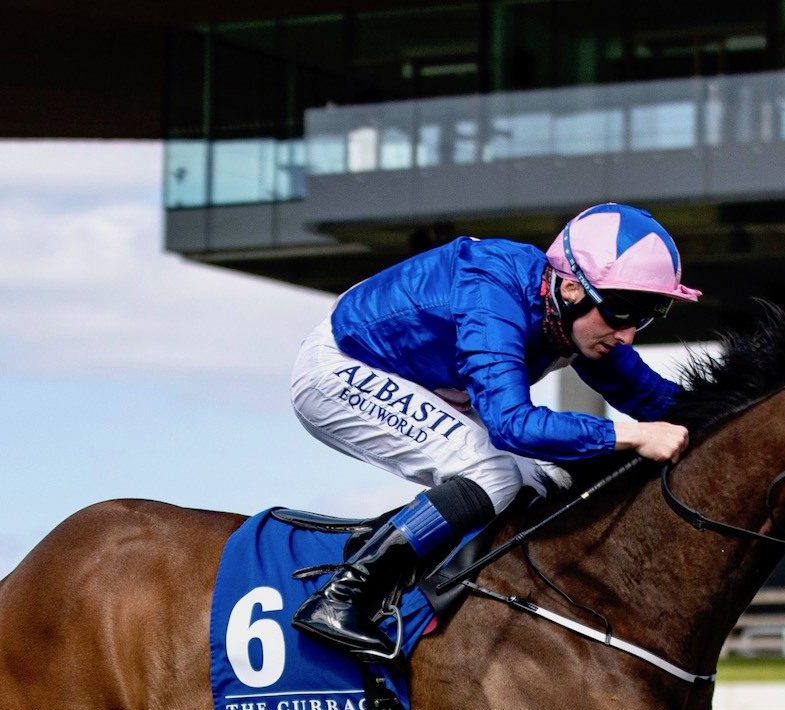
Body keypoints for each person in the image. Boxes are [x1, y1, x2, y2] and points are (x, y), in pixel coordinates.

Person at [289, 202, 699, 657]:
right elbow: (511, 425)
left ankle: (427, 576)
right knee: (493, 472)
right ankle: (343, 596)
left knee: (547, 481)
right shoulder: (492, 295)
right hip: (340, 367)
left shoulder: (580, 315)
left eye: (645, 316)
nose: (628, 334)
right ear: (569, 287)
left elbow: (659, 400)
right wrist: (633, 436)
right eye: (624, 312)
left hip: (429, 382)